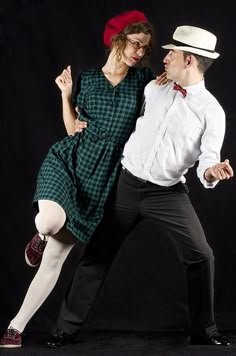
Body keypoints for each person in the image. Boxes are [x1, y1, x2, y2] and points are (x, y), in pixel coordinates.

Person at [46, 25, 234, 348]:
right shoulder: (154, 88)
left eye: (171, 52)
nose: (165, 56)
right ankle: (65, 327)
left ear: (188, 60)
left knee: (202, 255)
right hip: (126, 183)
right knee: (97, 254)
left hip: (167, 193)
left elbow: (207, 161)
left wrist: (213, 172)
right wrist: (79, 117)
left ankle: (205, 330)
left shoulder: (212, 112)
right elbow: (119, 113)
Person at [0, 10, 163, 348]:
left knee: (56, 258)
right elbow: (73, 128)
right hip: (69, 160)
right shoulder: (88, 79)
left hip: (101, 180)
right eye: (135, 43)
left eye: (145, 48)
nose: (139, 52)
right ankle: (40, 235)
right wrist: (65, 95)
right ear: (117, 40)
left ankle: (15, 327)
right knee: (48, 220)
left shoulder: (145, 81)